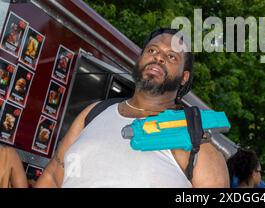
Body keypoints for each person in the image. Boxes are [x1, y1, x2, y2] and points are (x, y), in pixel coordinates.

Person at [35, 28, 229, 188]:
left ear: (184, 77)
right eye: (152, 51)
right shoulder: (95, 112)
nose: (158, 58)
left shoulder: (193, 139)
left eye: (171, 57)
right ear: (139, 59)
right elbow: (53, 176)